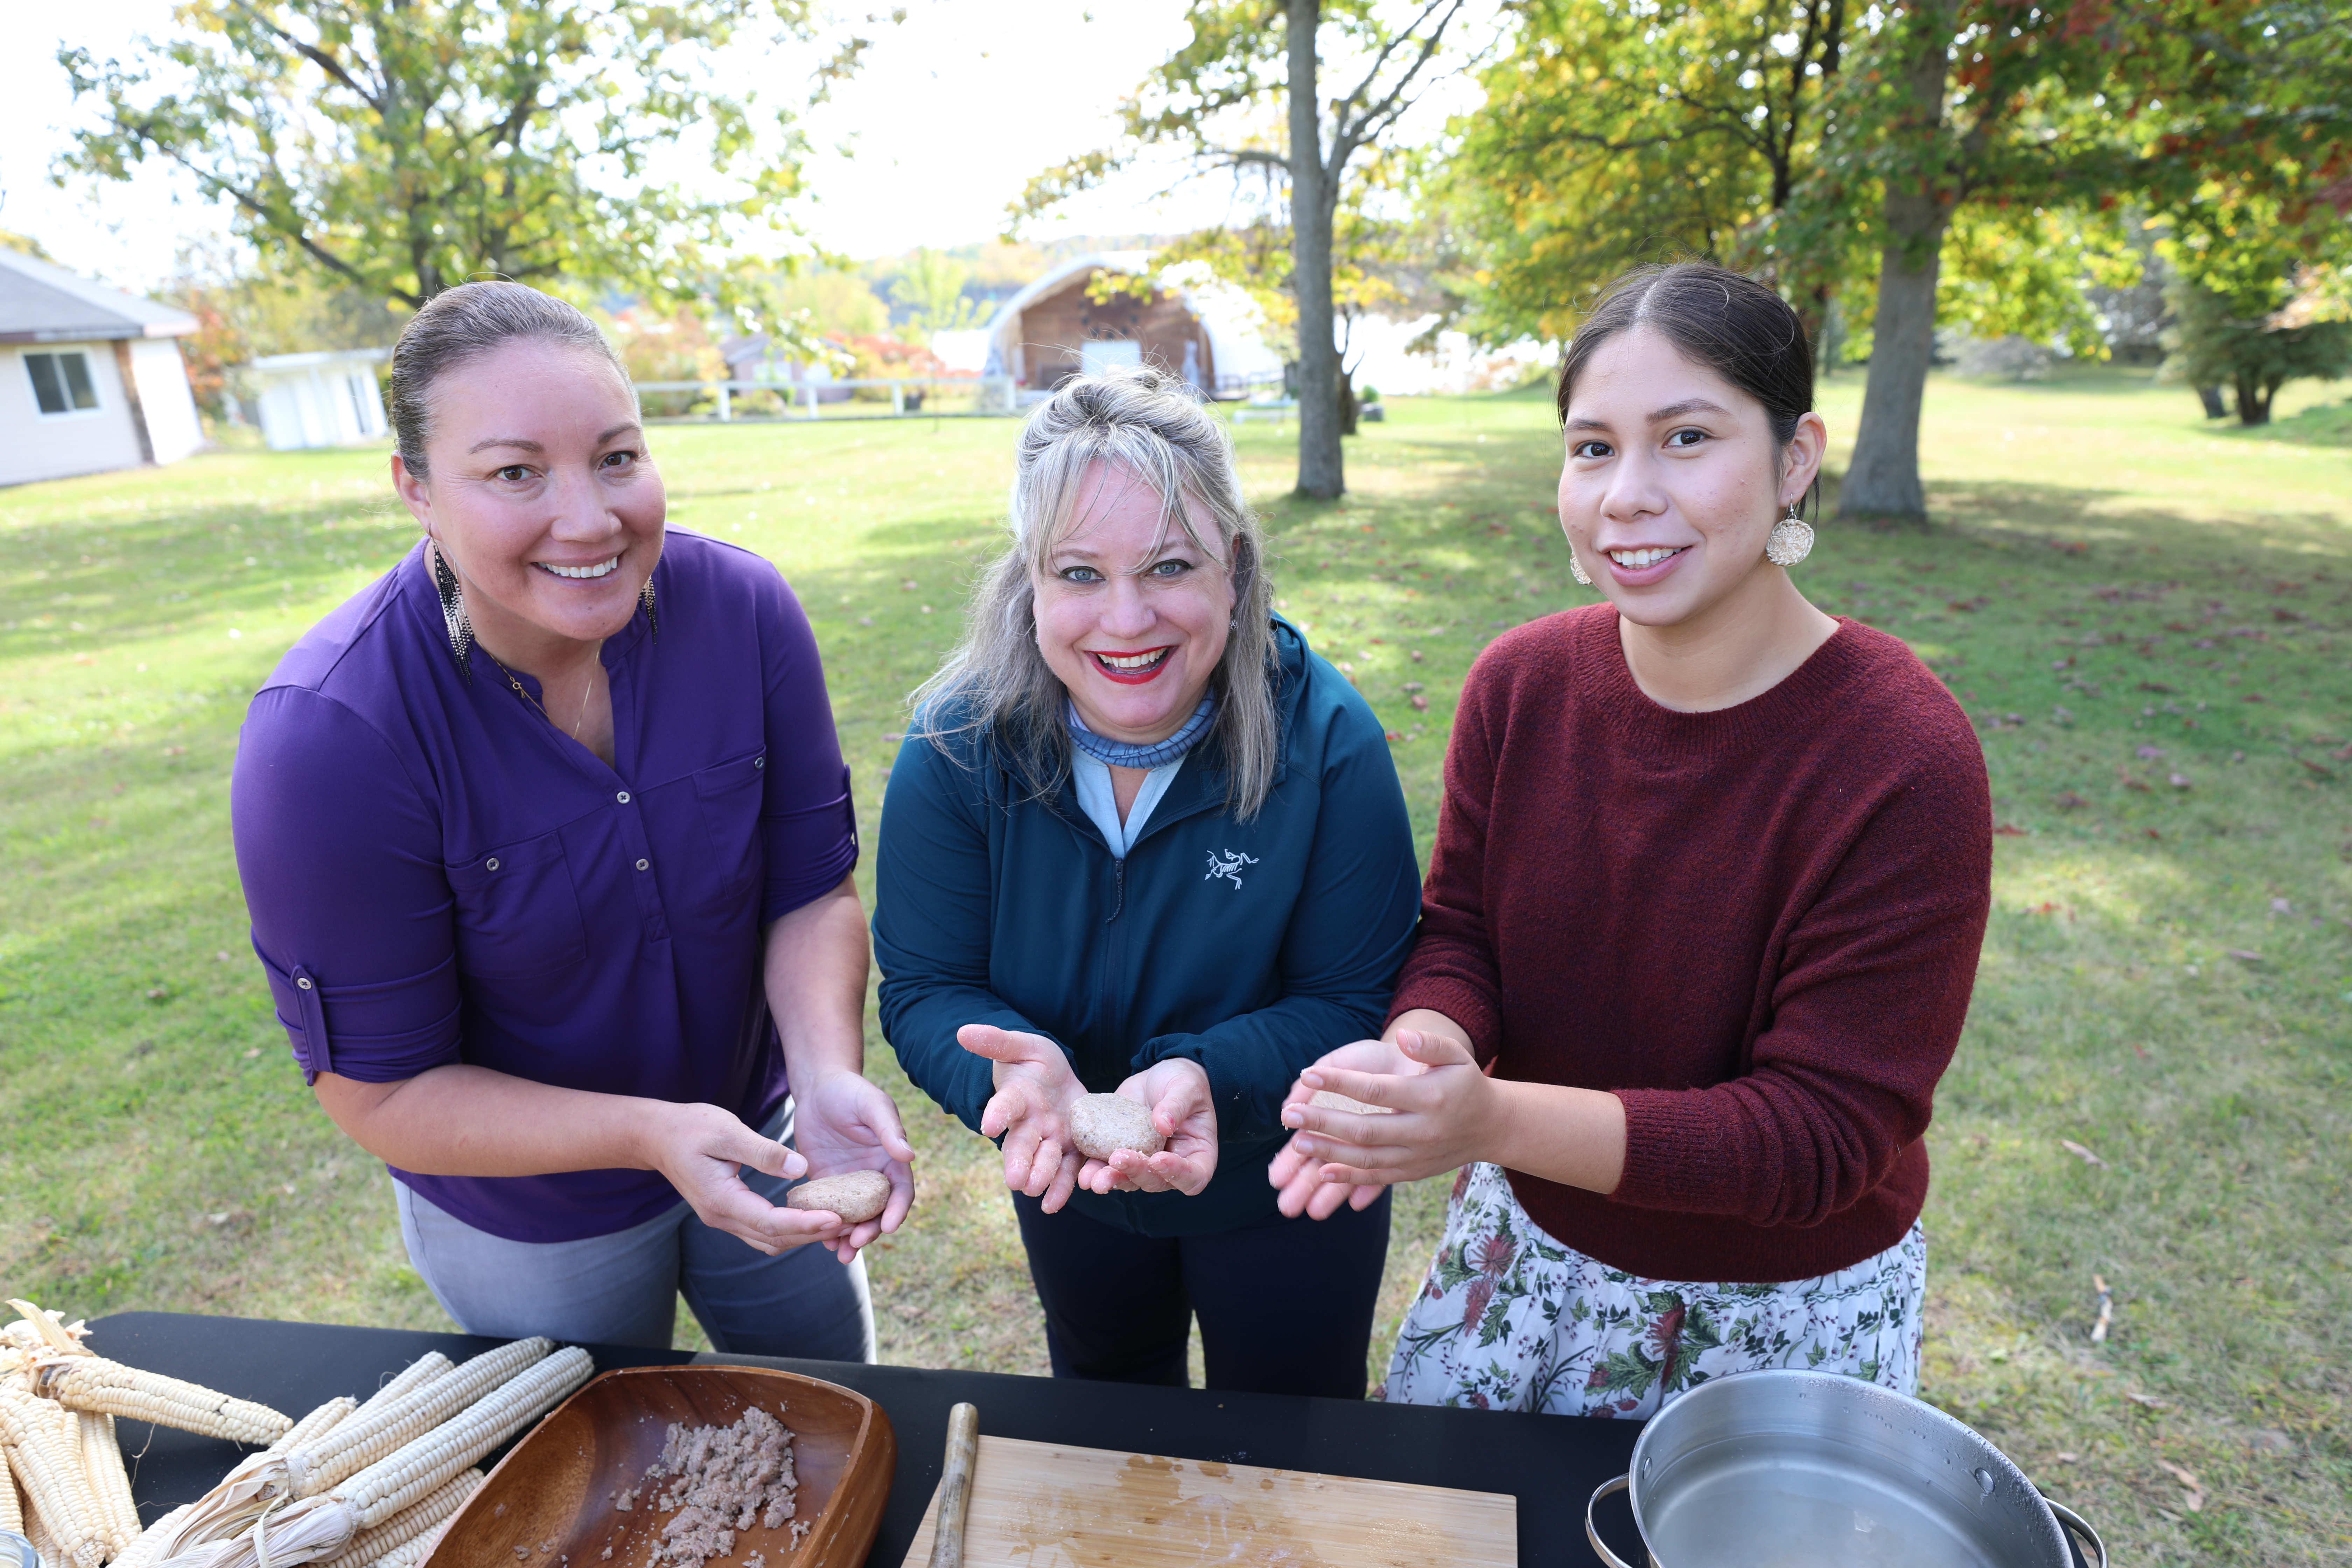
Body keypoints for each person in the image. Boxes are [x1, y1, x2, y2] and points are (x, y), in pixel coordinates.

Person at [1269, 262, 1994, 1417]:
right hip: (1528, 1258)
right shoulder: (1521, 685)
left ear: (1795, 459)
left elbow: (1822, 1135)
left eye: (1688, 438)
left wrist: (1490, 1120)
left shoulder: (1903, 753)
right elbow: (1462, 931)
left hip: (1782, 1311)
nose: (1627, 495)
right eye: (1593, 447)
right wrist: (1428, 1047)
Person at [231, 281, 915, 1358]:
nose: (592, 518)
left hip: (761, 1135)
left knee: (838, 1413)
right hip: (528, 1220)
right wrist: (645, 1135)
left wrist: (827, 1073)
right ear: (413, 488)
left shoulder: (745, 613)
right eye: (515, 472)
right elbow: (381, 1090)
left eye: (617, 457)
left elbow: (808, 891)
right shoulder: (328, 738)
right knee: (597, 1490)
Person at [873, 366, 1423, 1397]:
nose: (1125, 621)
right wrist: (1014, 1084)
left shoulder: (1326, 742)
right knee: (1109, 1409)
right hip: (1072, 1184)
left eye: (1169, 566)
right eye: (1078, 572)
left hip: (1287, 1184)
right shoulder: (959, 744)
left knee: (1296, 1435)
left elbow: (1356, 1001)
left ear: (1236, 569)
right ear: (1029, 576)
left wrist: (1205, 1078)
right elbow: (925, 985)